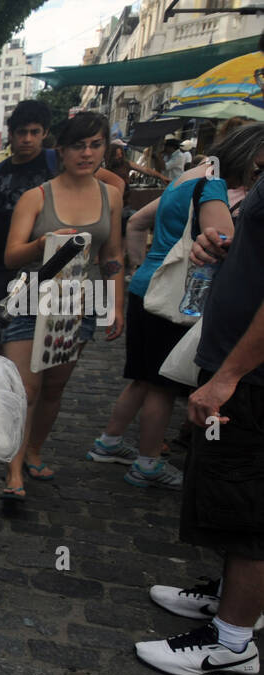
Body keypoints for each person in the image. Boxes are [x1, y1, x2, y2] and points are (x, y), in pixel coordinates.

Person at [133, 147, 264, 675]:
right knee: (228, 499)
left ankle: (233, 640)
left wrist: (228, 376)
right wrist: (227, 250)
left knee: (248, 504)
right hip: (235, 360)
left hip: (250, 377)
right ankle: (230, 600)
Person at [90, 125, 264, 489]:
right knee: (162, 386)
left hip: (147, 286)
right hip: (174, 295)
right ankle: (147, 462)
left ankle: (108, 442)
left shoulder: (188, 176)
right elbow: (225, 251)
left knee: (143, 378)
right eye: (258, 168)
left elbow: (137, 222)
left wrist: (139, 266)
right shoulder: (213, 187)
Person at [0, 111, 124, 501]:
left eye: (95, 145)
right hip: (31, 295)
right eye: (78, 145)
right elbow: (11, 256)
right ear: (62, 150)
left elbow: (113, 254)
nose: (86, 153)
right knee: (27, 387)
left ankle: (34, 450)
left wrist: (115, 305)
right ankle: (14, 469)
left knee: (55, 386)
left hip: (78, 302)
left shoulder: (112, 196)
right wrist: (44, 244)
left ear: (105, 148)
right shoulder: (37, 197)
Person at [0, 100, 57, 327]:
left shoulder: (57, 163)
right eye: (22, 132)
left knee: (36, 332)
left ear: (45, 133)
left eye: (35, 132)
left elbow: (104, 184)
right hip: (0, 265)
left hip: (45, 266)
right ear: (11, 134)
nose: (27, 139)